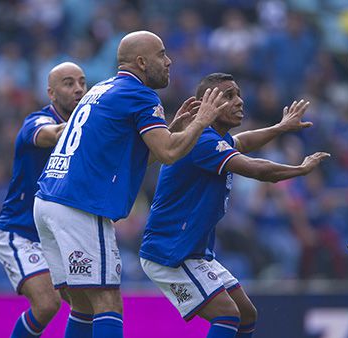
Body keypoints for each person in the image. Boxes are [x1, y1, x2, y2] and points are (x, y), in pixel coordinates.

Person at [33, 31, 228, 338]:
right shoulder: (140, 94)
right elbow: (169, 153)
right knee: (108, 300)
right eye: (161, 54)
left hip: (47, 201)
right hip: (80, 205)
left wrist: (173, 129)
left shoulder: (103, 88)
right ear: (141, 62)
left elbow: (143, 157)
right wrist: (202, 121)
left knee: (83, 305)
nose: (168, 61)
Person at [139, 72, 330, 338]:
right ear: (206, 104)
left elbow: (244, 142)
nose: (239, 101)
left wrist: (280, 127)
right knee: (227, 315)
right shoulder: (201, 141)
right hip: (170, 252)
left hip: (193, 251)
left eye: (238, 93)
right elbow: (257, 169)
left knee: (246, 315)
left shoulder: (214, 138)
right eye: (228, 96)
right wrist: (299, 169)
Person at [0, 62, 92, 337]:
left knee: (87, 307)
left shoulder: (90, 132)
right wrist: (92, 121)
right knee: (47, 304)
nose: (79, 89)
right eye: (69, 83)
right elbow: (51, 135)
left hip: (60, 236)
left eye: (82, 82)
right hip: (21, 232)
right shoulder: (36, 121)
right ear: (51, 93)